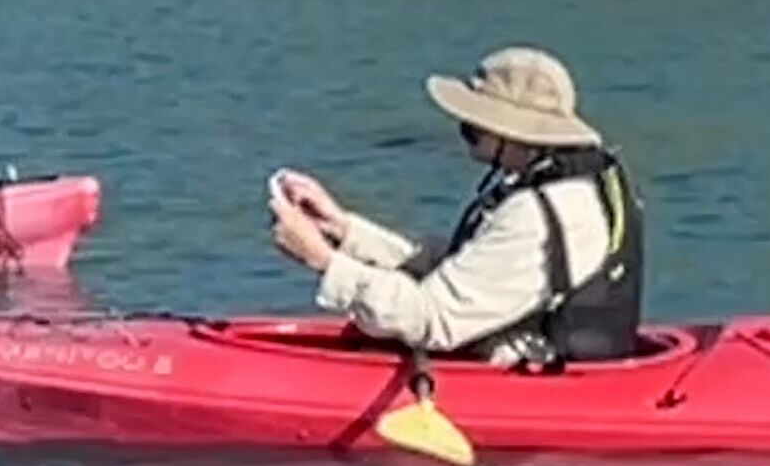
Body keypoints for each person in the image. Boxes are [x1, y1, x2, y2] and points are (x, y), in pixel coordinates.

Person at [265, 46, 642, 367]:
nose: (464, 133)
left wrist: (323, 262)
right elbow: (462, 269)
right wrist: (343, 230)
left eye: (473, 127)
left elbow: (433, 319)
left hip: (531, 384)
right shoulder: (569, 183)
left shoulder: (538, 214)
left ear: (512, 133)